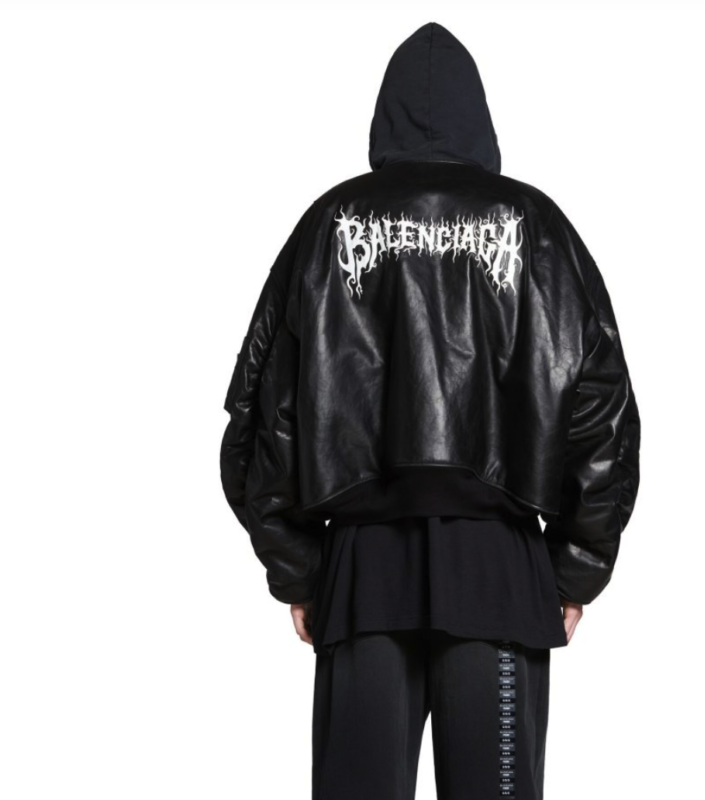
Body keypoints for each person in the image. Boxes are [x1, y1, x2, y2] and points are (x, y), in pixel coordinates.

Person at [220, 21, 641, 800]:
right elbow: (601, 412)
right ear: (480, 120)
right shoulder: (539, 229)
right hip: (500, 577)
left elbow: (261, 415)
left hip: (362, 574)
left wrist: (300, 568)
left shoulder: (329, 224)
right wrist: (574, 568)